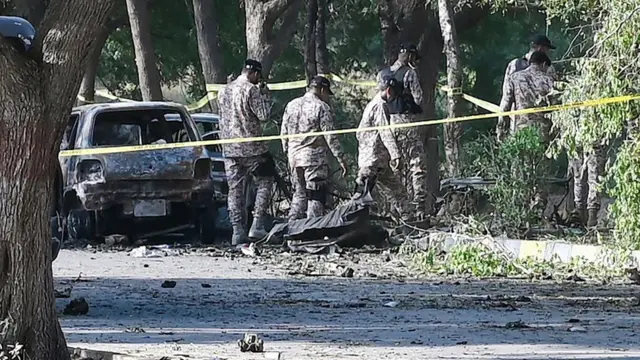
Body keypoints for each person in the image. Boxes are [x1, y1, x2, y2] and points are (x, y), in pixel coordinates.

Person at [217, 59, 274, 245]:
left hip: (229, 148)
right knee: (266, 180)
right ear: (255, 74)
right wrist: (265, 95)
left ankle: (237, 230)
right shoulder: (251, 89)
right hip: (251, 148)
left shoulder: (223, 90)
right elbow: (264, 116)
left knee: (234, 189)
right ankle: (257, 224)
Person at [280, 76, 348, 220]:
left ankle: (291, 227)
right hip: (313, 158)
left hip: (294, 158)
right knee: (315, 195)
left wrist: (288, 152)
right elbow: (331, 136)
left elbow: (283, 134)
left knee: (299, 194)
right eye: (326, 94)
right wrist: (341, 158)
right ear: (322, 90)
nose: (327, 98)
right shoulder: (321, 107)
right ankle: (312, 228)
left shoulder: (291, 105)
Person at [498, 50, 555, 218]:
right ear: (544, 64)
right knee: (541, 173)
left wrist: (500, 130)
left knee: (520, 171)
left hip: (521, 131)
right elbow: (557, 110)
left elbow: (505, 107)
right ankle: (538, 210)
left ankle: (519, 211)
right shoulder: (550, 81)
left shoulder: (515, 78)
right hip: (542, 133)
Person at [375, 43, 428, 218]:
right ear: (411, 57)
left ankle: (394, 211)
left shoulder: (382, 74)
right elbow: (418, 99)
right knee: (417, 165)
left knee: (395, 168)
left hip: (388, 125)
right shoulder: (409, 73)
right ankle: (419, 208)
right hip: (408, 124)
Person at [353, 76, 411, 222]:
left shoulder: (373, 104)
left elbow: (359, 134)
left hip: (378, 161)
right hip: (373, 161)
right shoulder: (379, 105)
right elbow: (385, 132)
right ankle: (348, 221)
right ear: (389, 91)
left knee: (398, 191)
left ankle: (409, 222)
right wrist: (396, 155)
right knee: (361, 196)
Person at [498, 34, 557, 140]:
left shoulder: (514, 66)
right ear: (541, 48)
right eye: (547, 49)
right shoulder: (548, 68)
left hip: (519, 124)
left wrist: (501, 130)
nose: (548, 53)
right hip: (542, 128)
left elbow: (506, 100)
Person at [569, 145, 606, 227]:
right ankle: (580, 216)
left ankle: (590, 217)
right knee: (579, 175)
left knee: (594, 176)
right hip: (577, 139)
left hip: (593, 140)